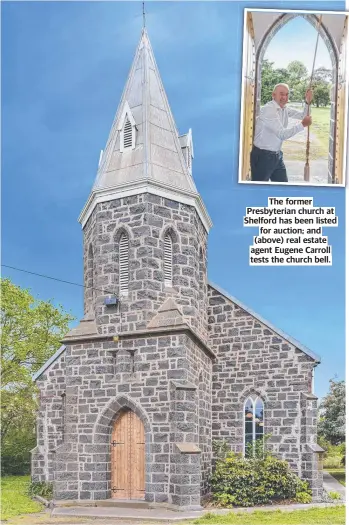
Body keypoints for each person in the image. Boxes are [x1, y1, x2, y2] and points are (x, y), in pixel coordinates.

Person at [251, 84, 313, 183]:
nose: (284, 97)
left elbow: (304, 115)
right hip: (262, 157)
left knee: (283, 187)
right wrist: (302, 125)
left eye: (287, 94)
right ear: (273, 95)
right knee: (259, 191)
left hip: (277, 156)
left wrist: (307, 101)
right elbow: (282, 134)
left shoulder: (284, 109)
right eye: (281, 94)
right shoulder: (269, 110)